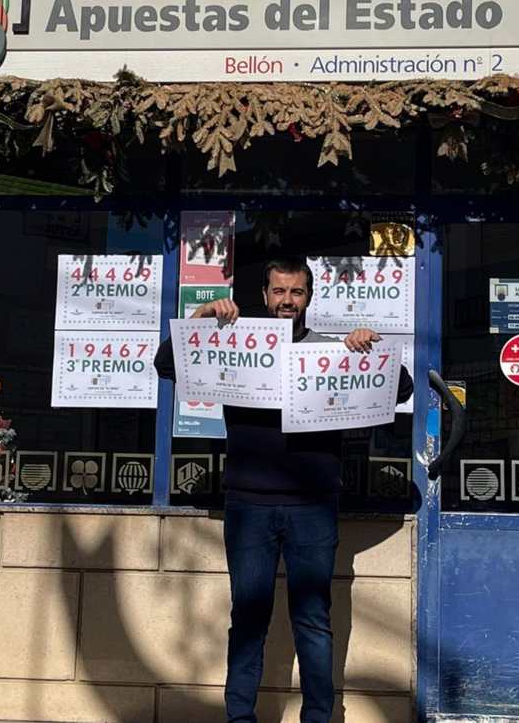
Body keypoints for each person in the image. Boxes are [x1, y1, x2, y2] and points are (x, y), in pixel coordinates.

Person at [154, 257, 413, 723]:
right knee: (248, 619)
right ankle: (240, 718)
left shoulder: (331, 351)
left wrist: (367, 349)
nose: (286, 301)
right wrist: (199, 321)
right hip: (248, 505)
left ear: (308, 297)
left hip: (313, 508)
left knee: (313, 621)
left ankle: (318, 717)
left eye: (296, 292)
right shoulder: (235, 344)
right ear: (265, 292)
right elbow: (166, 363)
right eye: (279, 292)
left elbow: (399, 389)